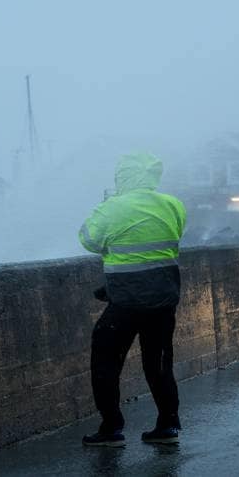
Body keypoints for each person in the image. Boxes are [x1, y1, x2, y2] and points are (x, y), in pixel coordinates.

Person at [78, 152, 187, 447]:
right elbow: (173, 236)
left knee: (106, 361)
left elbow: (88, 239)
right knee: (160, 363)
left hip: (125, 302)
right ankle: (168, 426)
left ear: (123, 177)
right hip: (163, 301)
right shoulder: (173, 204)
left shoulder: (113, 207)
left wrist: (104, 206)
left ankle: (111, 428)